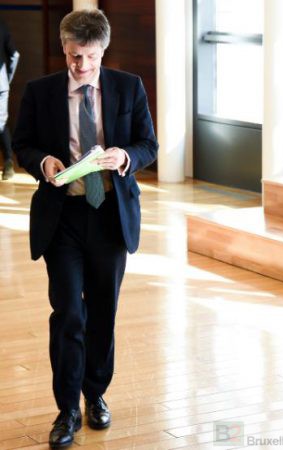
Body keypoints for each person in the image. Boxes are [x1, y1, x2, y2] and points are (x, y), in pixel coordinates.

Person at [13, 9, 158, 449]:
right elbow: (22, 144)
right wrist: (44, 162)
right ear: (64, 48)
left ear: (102, 50)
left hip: (111, 216)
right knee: (69, 314)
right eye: (75, 56)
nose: (81, 67)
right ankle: (66, 409)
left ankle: (95, 395)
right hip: (64, 219)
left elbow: (147, 144)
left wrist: (125, 158)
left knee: (102, 313)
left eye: (90, 57)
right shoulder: (40, 92)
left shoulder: (128, 87)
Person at [0, 16, 19, 180]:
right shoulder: (2, 26)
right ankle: (8, 163)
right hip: (1, 85)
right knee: (1, 123)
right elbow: (14, 55)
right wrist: (7, 78)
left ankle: (8, 163)